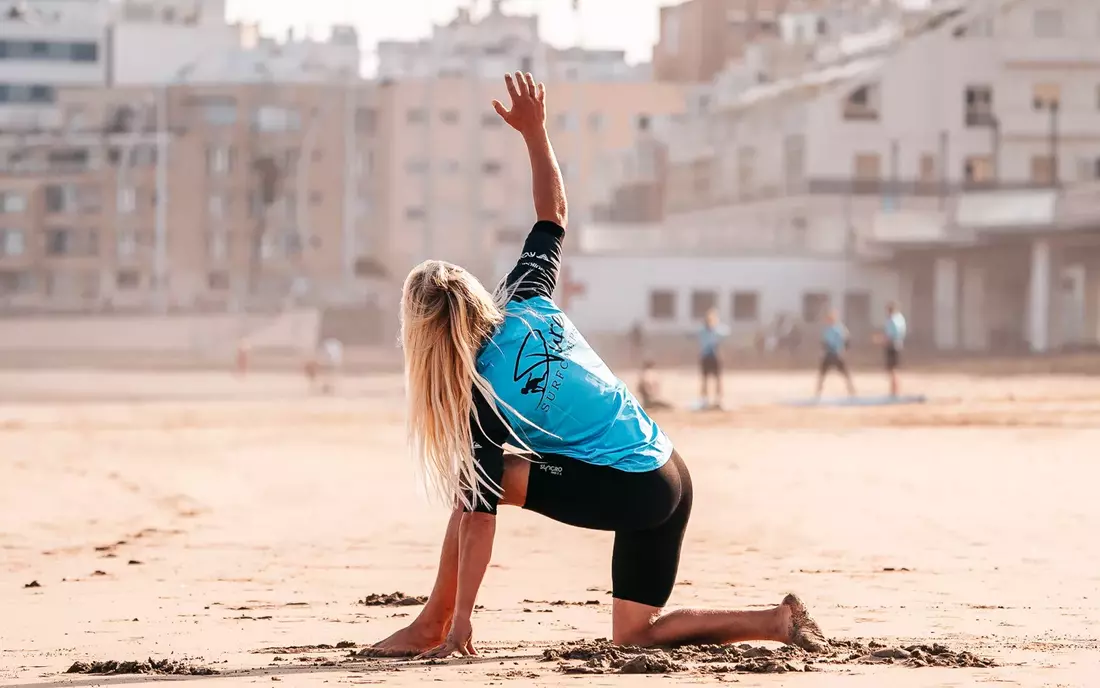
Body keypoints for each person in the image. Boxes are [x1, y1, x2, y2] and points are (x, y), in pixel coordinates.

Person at [368, 72, 825, 659]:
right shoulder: (525, 296)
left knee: (476, 481)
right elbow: (553, 211)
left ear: (426, 340)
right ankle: (776, 622)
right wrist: (536, 133)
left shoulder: (478, 395)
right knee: (635, 637)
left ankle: (436, 624)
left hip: (636, 491)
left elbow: (479, 519)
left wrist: (463, 628)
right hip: (667, 469)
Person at [814, 309, 856, 399]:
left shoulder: (837, 329)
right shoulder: (836, 329)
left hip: (835, 354)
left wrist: (843, 350)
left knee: (844, 373)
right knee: (823, 373)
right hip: (832, 354)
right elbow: (846, 341)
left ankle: (851, 390)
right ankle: (818, 391)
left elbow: (844, 341)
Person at [697, 308, 728, 410]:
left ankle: (718, 401)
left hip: (715, 356)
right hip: (706, 356)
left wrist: (716, 326)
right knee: (704, 380)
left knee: (718, 379)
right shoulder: (702, 331)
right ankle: (704, 401)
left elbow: (726, 332)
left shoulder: (718, 330)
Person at [876, 302, 906, 397]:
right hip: (898, 345)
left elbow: (891, 335)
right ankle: (895, 390)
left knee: (892, 369)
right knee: (895, 369)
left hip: (892, 346)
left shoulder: (892, 320)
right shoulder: (900, 318)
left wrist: (881, 340)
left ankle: (894, 391)